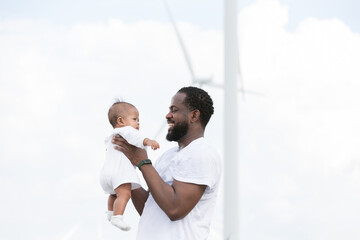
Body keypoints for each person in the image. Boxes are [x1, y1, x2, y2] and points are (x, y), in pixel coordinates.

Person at [112, 86, 222, 239]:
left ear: (194, 115)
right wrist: (126, 166)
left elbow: (175, 209)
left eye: (174, 110)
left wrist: (143, 162)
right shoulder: (168, 156)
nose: (167, 115)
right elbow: (149, 208)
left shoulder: (201, 153)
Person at [99, 101, 160, 231]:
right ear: (121, 121)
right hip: (119, 173)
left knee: (113, 194)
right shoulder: (127, 130)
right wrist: (149, 141)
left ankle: (110, 212)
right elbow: (137, 139)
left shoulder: (111, 135)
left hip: (105, 174)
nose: (138, 123)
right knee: (124, 194)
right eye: (134, 119)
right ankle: (117, 216)